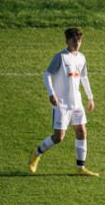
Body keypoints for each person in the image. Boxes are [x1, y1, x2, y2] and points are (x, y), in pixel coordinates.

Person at [28, 27, 99, 177]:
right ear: (67, 41)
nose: (77, 43)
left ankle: (80, 167)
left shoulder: (82, 58)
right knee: (59, 137)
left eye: (79, 41)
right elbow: (47, 74)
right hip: (62, 104)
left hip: (77, 103)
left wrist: (90, 97)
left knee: (81, 132)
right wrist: (51, 93)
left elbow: (84, 77)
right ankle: (36, 153)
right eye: (74, 40)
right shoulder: (60, 57)